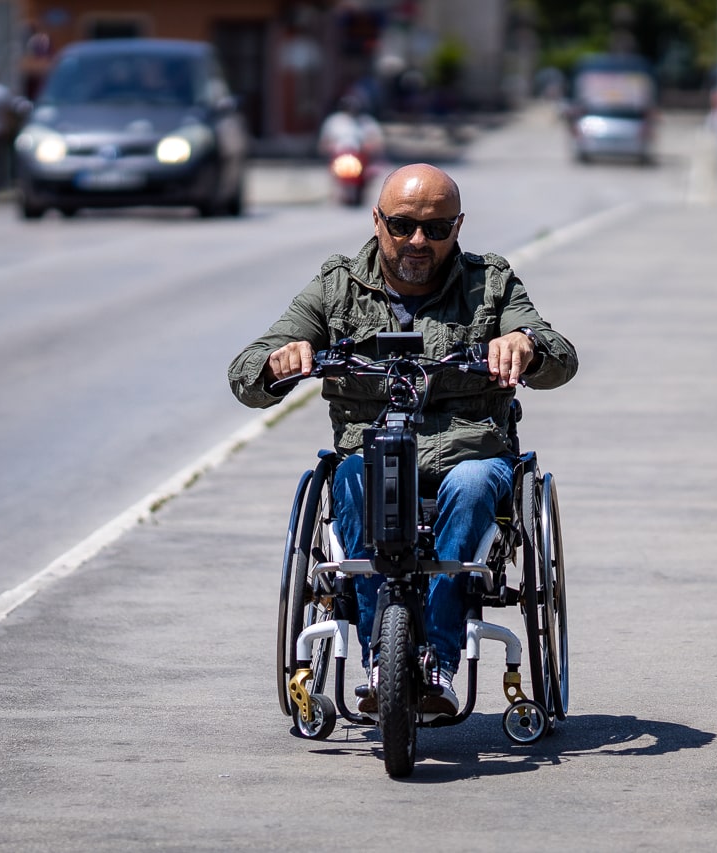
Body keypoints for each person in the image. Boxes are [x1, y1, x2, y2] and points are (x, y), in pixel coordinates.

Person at [227, 164, 579, 716]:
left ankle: (436, 659)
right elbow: (246, 371)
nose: (419, 241)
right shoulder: (336, 285)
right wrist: (279, 363)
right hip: (372, 450)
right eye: (403, 225)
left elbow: (559, 355)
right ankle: (378, 657)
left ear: (458, 227)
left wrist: (525, 344)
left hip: (469, 451)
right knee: (349, 478)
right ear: (377, 221)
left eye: (437, 228)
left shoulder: (491, 282)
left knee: (471, 485)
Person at [317, 94, 385, 162]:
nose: (352, 108)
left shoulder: (367, 121)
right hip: (337, 160)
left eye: (354, 106)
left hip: (361, 160)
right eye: (349, 105)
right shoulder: (333, 121)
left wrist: (368, 147)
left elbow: (378, 143)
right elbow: (323, 144)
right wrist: (331, 147)